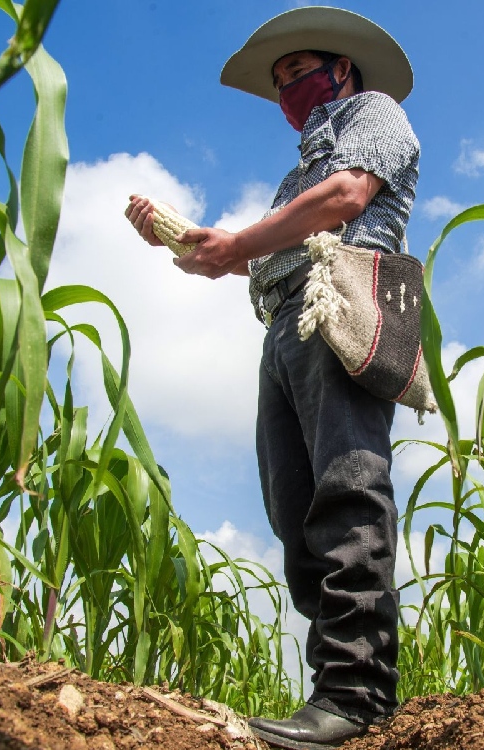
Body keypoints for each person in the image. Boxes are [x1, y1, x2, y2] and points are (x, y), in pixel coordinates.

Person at [125, 7, 419, 749]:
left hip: (340, 302)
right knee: (295, 507)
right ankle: (333, 690)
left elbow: (347, 197)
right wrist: (188, 241)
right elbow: (263, 251)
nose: (290, 88)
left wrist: (236, 245)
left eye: (300, 72)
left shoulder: (375, 114)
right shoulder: (296, 172)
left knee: (348, 485)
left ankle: (359, 695)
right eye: (281, 80)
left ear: (341, 70)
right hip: (285, 324)